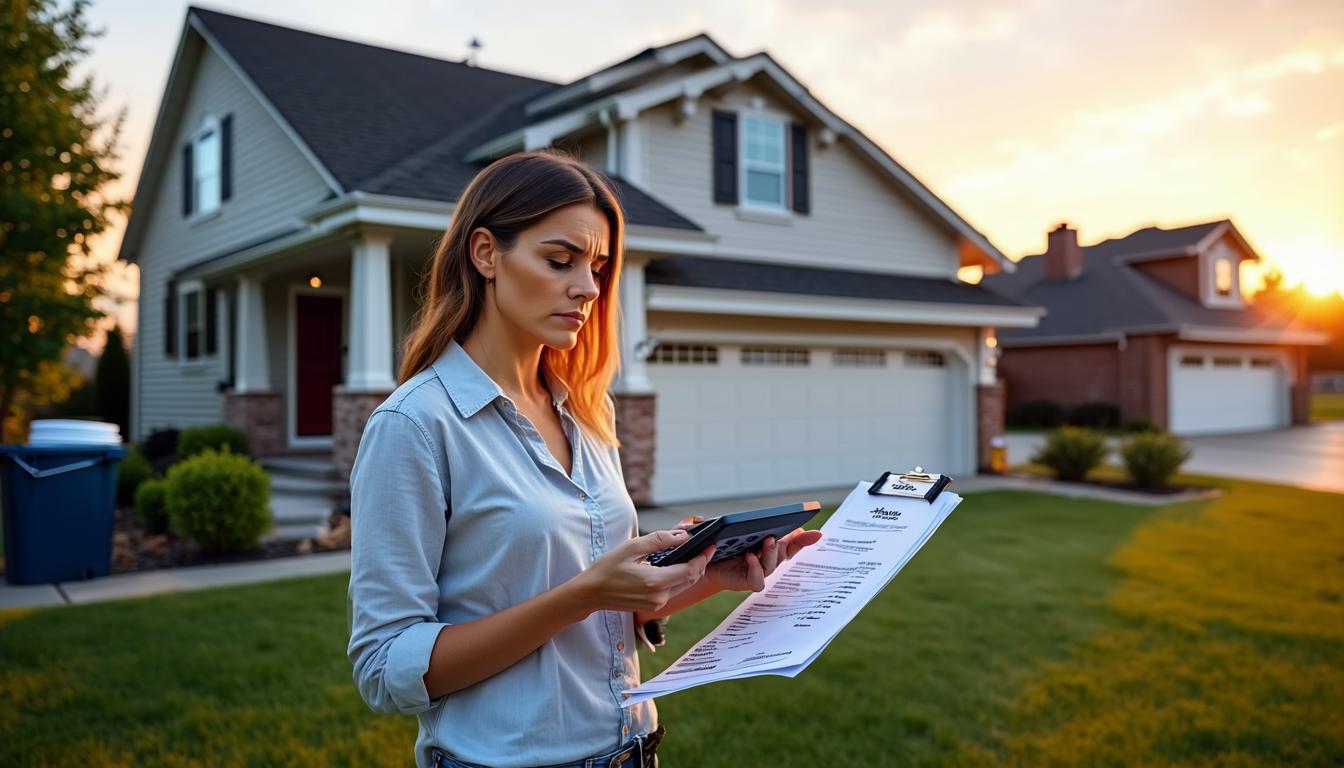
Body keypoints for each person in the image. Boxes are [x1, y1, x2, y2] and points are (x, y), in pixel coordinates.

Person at [346, 150, 822, 768]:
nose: (589, 288)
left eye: (597, 268)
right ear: (486, 253)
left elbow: (608, 608)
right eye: (559, 260)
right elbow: (385, 667)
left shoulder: (589, 412)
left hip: (635, 751)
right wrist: (580, 595)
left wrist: (710, 573)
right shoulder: (414, 425)